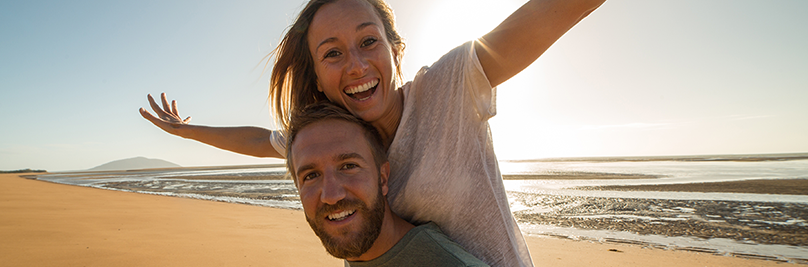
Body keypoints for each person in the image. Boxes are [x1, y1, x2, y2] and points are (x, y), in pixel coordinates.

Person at [140, 0, 605, 265]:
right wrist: (188, 131)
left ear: (394, 50)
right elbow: (262, 140)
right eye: (333, 53)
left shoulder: (448, 89)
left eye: (368, 42)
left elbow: (553, 12)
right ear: (318, 76)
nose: (357, 65)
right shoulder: (333, 140)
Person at [286, 102, 487, 266]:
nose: (331, 195)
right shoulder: (365, 254)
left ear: (382, 178)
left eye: (348, 166)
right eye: (311, 176)